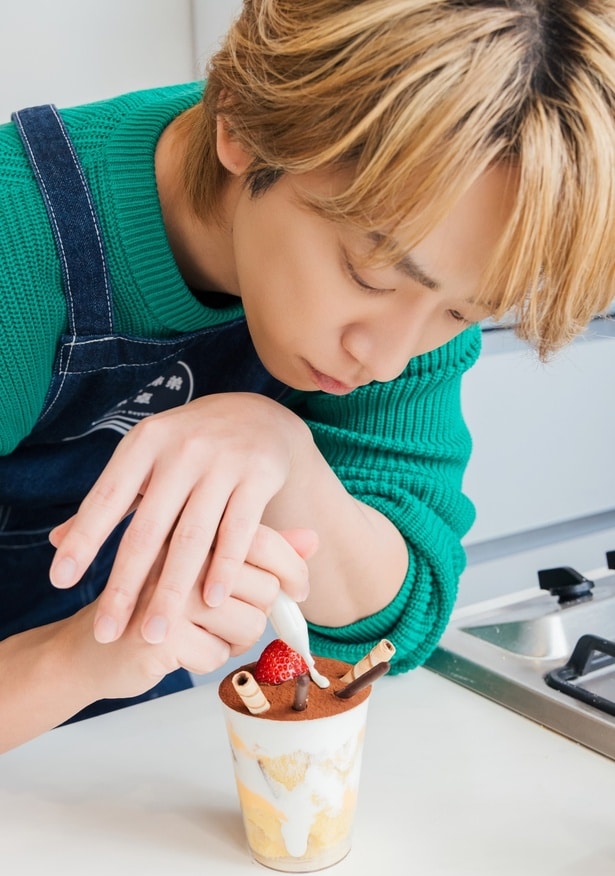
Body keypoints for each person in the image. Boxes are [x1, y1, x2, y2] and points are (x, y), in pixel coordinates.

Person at [2, 0, 615, 752]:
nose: (387, 359)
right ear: (238, 125)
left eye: (462, 313)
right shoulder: (13, 248)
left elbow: (391, 629)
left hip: (121, 748)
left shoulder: (423, 290)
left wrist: (283, 449)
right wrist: (69, 662)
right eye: (368, 274)